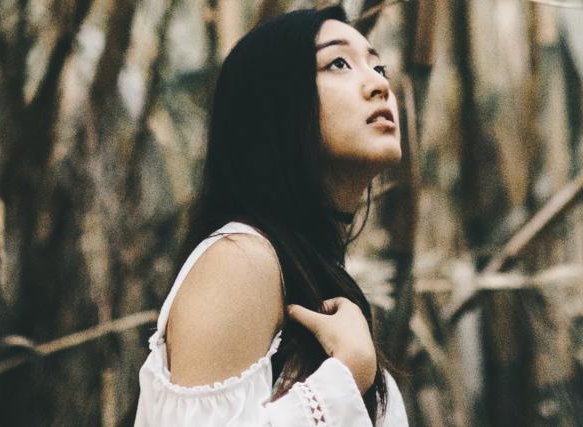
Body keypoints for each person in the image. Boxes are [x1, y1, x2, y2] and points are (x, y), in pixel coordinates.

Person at [134, 5, 408, 426]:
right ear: (274, 104)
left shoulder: (303, 271)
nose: (378, 84)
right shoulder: (240, 260)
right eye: (338, 63)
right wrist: (345, 378)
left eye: (378, 66)